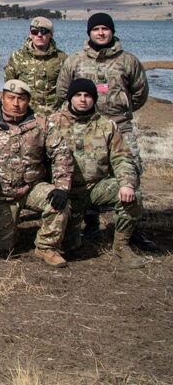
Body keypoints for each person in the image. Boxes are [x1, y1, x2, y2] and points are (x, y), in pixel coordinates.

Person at [55, 12, 154, 251]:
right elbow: (62, 92)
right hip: (85, 128)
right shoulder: (75, 61)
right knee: (86, 172)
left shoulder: (128, 61)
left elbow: (140, 93)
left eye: (105, 29)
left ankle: (131, 230)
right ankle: (90, 223)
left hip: (120, 125)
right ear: (89, 32)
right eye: (96, 29)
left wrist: (121, 109)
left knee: (130, 173)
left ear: (112, 31)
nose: (101, 32)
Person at [52, 79, 145, 268]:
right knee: (69, 247)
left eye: (87, 96)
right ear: (70, 98)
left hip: (96, 188)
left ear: (94, 99)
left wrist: (127, 183)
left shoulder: (107, 126)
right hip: (65, 192)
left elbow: (122, 158)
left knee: (133, 195)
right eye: (78, 95)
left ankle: (121, 246)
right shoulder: (53, 122)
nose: (83, 100)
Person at [0, 80, 73, 268]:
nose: (15, 103)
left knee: (59, 203)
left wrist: (62, 187)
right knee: (2, 247)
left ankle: (46, 246)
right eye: (11, 98)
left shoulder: (42, 124)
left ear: (28, 100)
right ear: (2, 99)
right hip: (0, 194)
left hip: (32, 187)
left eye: (21, 99)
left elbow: (61, 153)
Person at [3, 16, 67, 117]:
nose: (39, 35)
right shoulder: (17, 56)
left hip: (52, 113)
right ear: (30, 34)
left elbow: (66, 88)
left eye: (44, 31)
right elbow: (9, 87)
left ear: (51, 34)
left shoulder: (61, 58)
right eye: (35, 32)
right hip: (25, 113)